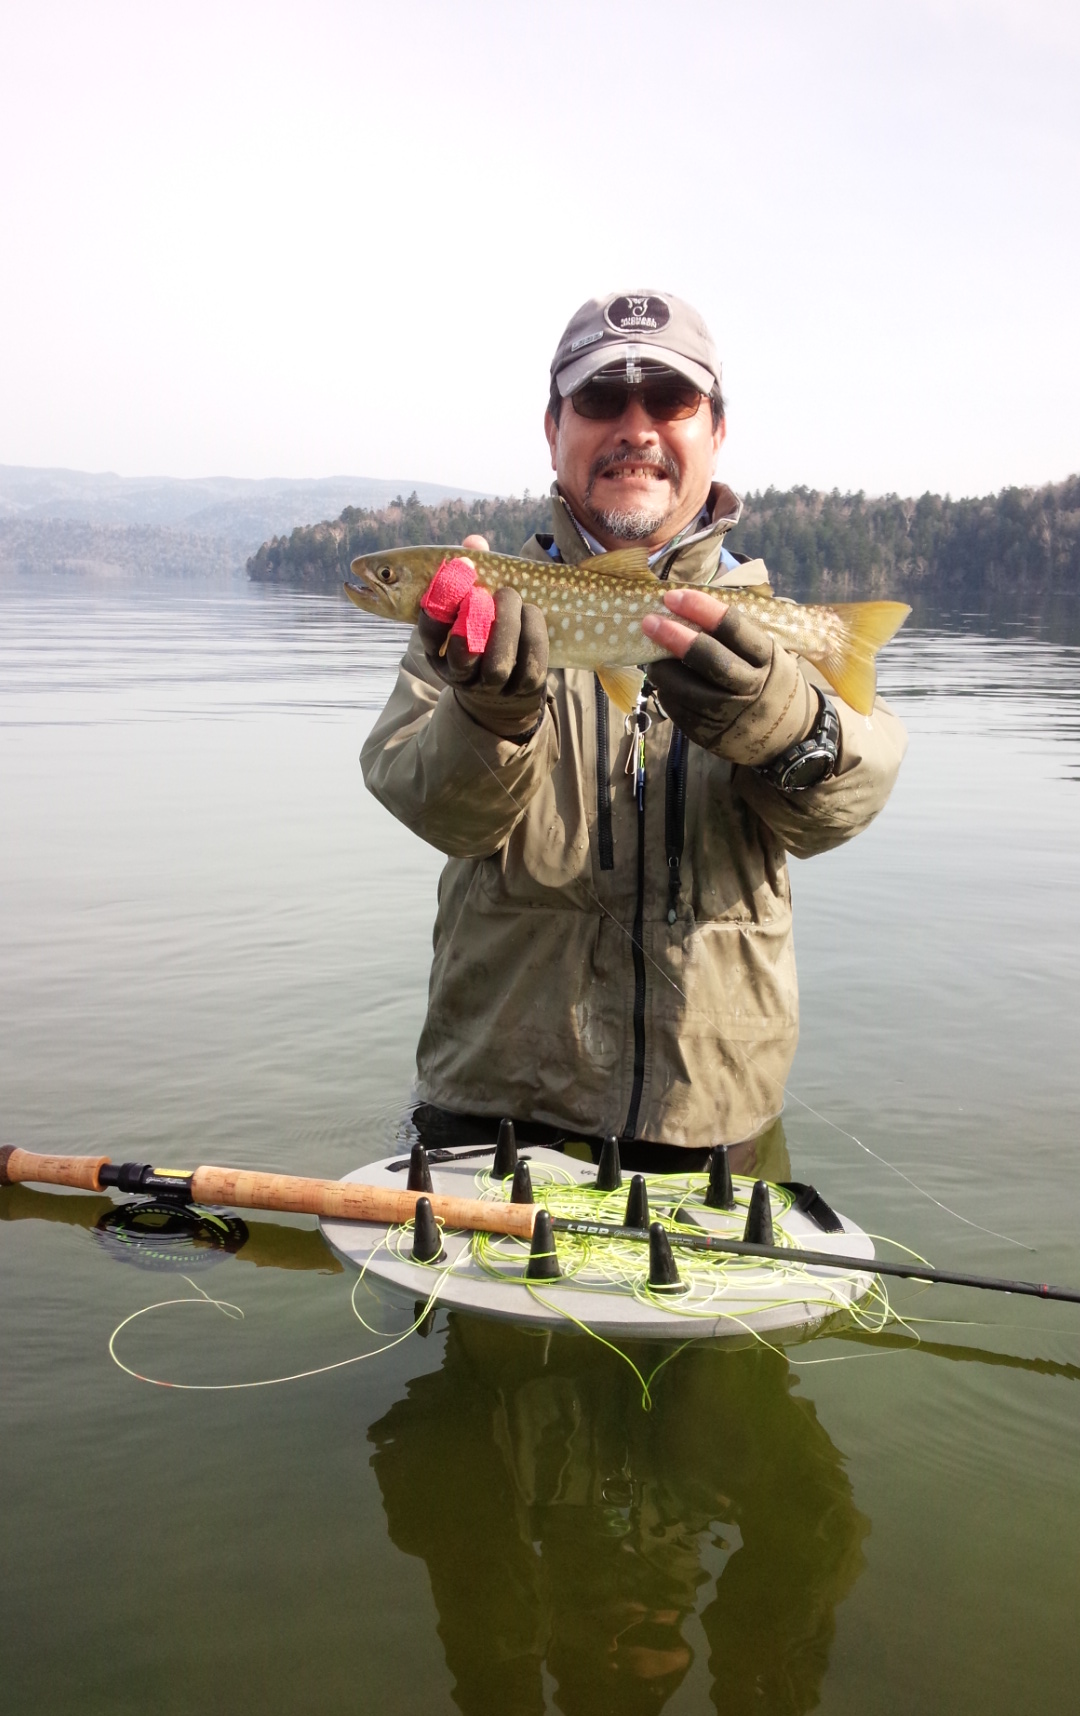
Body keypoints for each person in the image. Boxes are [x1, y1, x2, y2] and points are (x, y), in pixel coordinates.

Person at [361, 290, 907, 1173]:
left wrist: (781, 719)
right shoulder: (470, 617)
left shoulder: (759, 619)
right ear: (553, 428)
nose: (637, 426)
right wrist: (488, 713)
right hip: (489, 1121)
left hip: (713, 1126)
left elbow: (849, 799)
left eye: (670, 399)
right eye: (603, 400)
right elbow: (435, 810)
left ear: (716, 432)